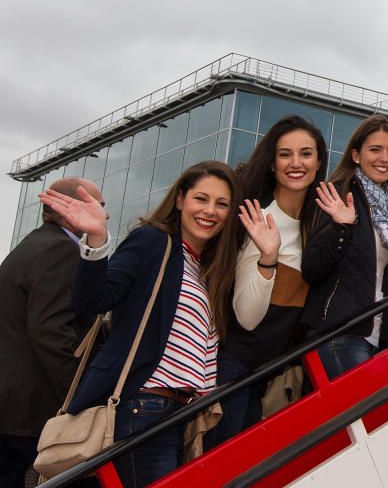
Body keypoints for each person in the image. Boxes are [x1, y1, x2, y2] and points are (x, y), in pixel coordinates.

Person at [39, 161, 241, 488]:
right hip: (144, 407)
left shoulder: (206, 268)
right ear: (180, 200)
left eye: (222, 204)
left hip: (181, 414)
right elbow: (92, 301)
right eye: (201, 199)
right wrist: (96, 239)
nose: (210, 211)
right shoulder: (153, 242)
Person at [205, 116, 328, 448]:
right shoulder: (258, 219)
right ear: (272, 164)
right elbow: (246, 317)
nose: (296, 163)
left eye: (306, 153)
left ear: (319, 161)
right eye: (285, 154)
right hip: (233, 368)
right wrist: (268, 259)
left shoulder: (320, 224)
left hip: (273, 372)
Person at [0, 178, 103, 488]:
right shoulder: (61, 250)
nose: (105, 214)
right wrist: (77, 397)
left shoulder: (32, 245)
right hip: (32, 410)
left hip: (13, 407)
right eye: (100, 204)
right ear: (74, 206)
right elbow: (50, 332)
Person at [300, 116, 388, 378]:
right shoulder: (337, 194)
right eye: (375, 149)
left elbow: (374, 276)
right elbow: (311, 269)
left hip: (374, 336)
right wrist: (341, 227)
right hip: (340, 334)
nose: (385, 158)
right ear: (356, 155)